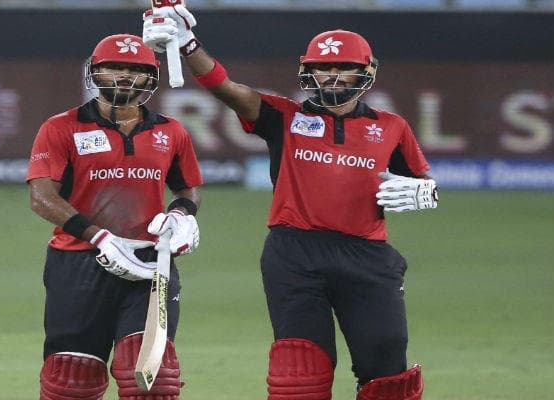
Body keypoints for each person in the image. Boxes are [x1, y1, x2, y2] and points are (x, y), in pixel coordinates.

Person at [143, 8, 438, 400]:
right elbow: (225, 87)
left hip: (366, 254)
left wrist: (426, 192)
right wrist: (188, 45)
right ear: (307, 72)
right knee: (301, 371)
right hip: (295, 253)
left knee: (386, 369)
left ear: (366, 72)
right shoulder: (283, 116)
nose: (332, 76)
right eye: (322, 68)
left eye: (344, 68)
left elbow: (421, 180)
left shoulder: (391, 127)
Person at [26, 33, 203, 400]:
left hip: (149, 263)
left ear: (151, 77)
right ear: (94, 71)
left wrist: (181, 216)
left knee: (153, 380)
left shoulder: (171, 132)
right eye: (114, 67)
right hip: (78, 263)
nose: (124, 76)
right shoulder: (61, 127)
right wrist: (100, 236)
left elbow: (187, 190)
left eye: (135, 69)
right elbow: (41, 198)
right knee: (72, 381)